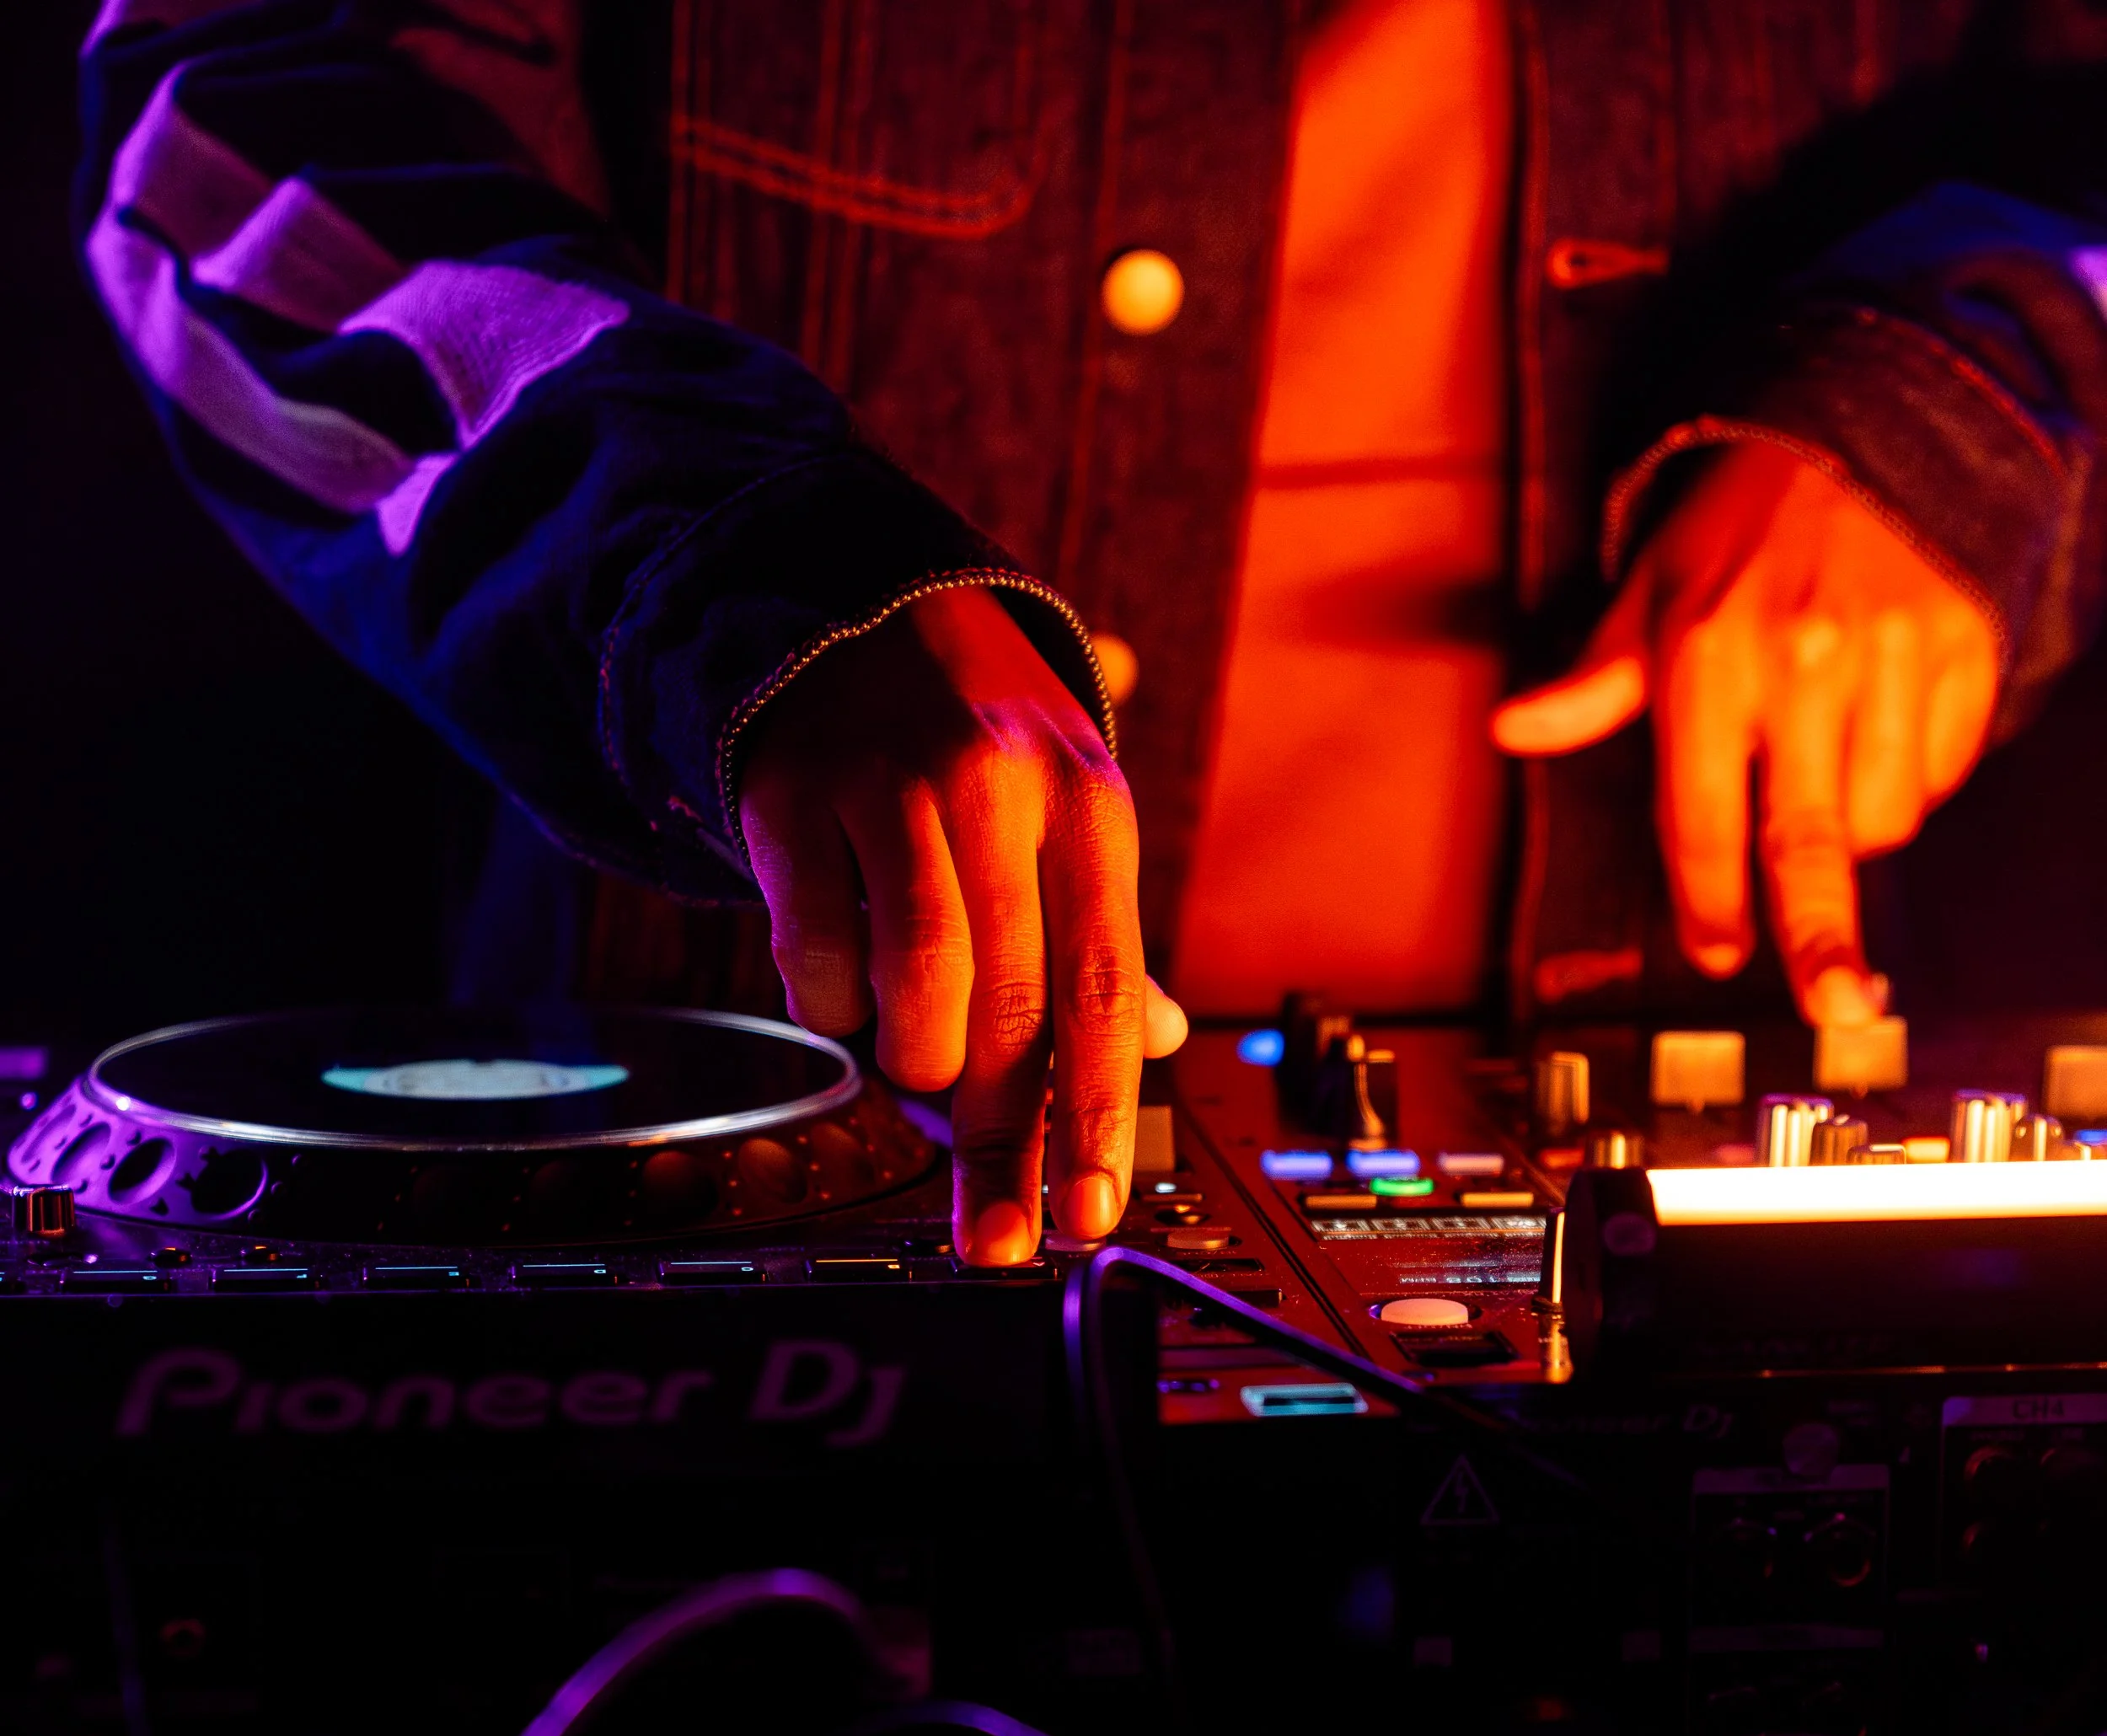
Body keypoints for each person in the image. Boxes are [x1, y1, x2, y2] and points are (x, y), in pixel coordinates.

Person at [78, 2, 2107, 1259]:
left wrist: (1967, 396)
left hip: (1671, 1286)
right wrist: (726, 566)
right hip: (746, 1241)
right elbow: (232, 119)